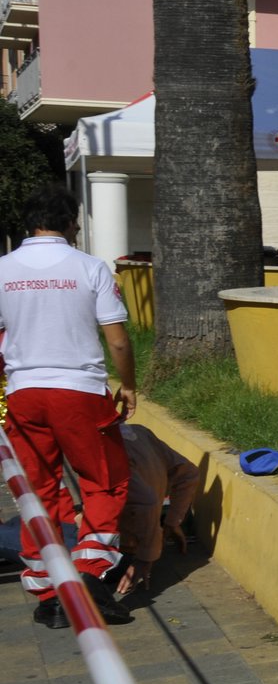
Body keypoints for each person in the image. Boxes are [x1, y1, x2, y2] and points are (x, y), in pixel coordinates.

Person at [0, 185, 135, 629]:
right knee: (104, 481)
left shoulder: (2, 269)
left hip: (24, 394)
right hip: (80, 392)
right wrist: (129, 385)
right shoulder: (90, 267)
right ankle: (90, 569)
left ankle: (48, 592)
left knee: (38, 493)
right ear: (71, 222)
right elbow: (116, 338)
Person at [110, 424, 200, 596]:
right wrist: (173, 521)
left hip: (126, 543)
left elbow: (145, 503)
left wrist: (145, 558)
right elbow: (189, 474)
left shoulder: (107, 450)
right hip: (136, 537)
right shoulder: (138, 432)